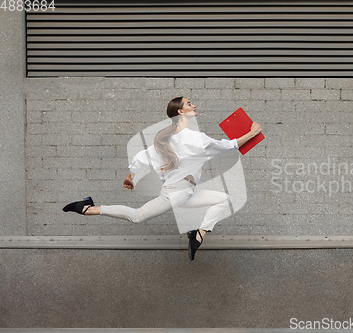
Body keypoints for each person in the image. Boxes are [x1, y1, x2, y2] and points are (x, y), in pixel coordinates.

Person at [63, 97, 262, 260]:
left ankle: (199, 234)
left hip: (187, 192)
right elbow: (230, 145)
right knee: (136, 216)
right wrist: (252, 133)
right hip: (175, 193)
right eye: (189, 103)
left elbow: (144, 157)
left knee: (224, 199)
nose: (194, 105)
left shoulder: (171, 139)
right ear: (181, 112)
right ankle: (87, 207)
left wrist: (131, 176)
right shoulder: (193, 138)